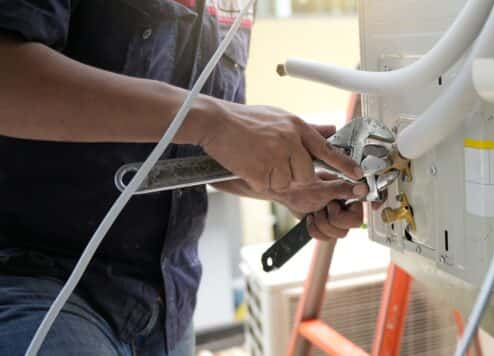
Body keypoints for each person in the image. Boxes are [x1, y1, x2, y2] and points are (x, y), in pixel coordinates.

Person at [0, 1, 367, 355]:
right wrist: (212, 119)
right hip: (32, 283)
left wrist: (286, 187)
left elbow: (203, 145)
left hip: (166, 309)